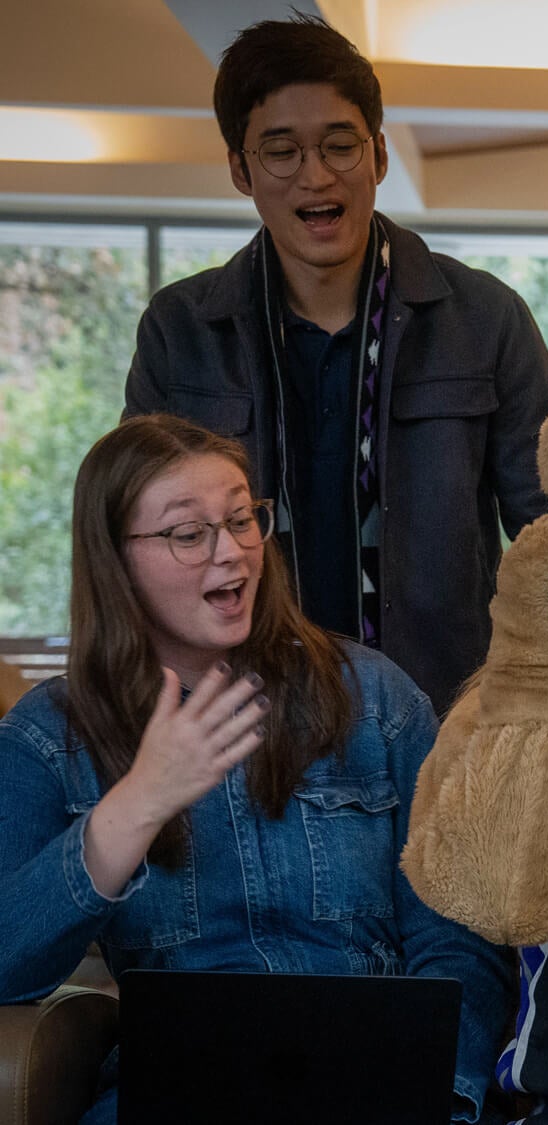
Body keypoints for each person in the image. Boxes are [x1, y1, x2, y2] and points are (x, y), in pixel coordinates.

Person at [0, 416, 511, 1123]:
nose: (232, 553)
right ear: (114, 556)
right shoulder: (47, 734)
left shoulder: (374, 695)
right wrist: (140, 802)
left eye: (243, 519)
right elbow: (6, 965)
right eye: (189, 533)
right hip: (176, 1094)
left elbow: (456, 927)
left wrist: (442, 1094)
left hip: (377, 1086)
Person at [125, 15, 548, 712]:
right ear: (241, 169)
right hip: (238, 720)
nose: (317, 175)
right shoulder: (180, 331)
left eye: (340, 145)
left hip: (442, 718)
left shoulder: (485, 318)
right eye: (282, 151)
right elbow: (137, 539)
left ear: (380, 156)